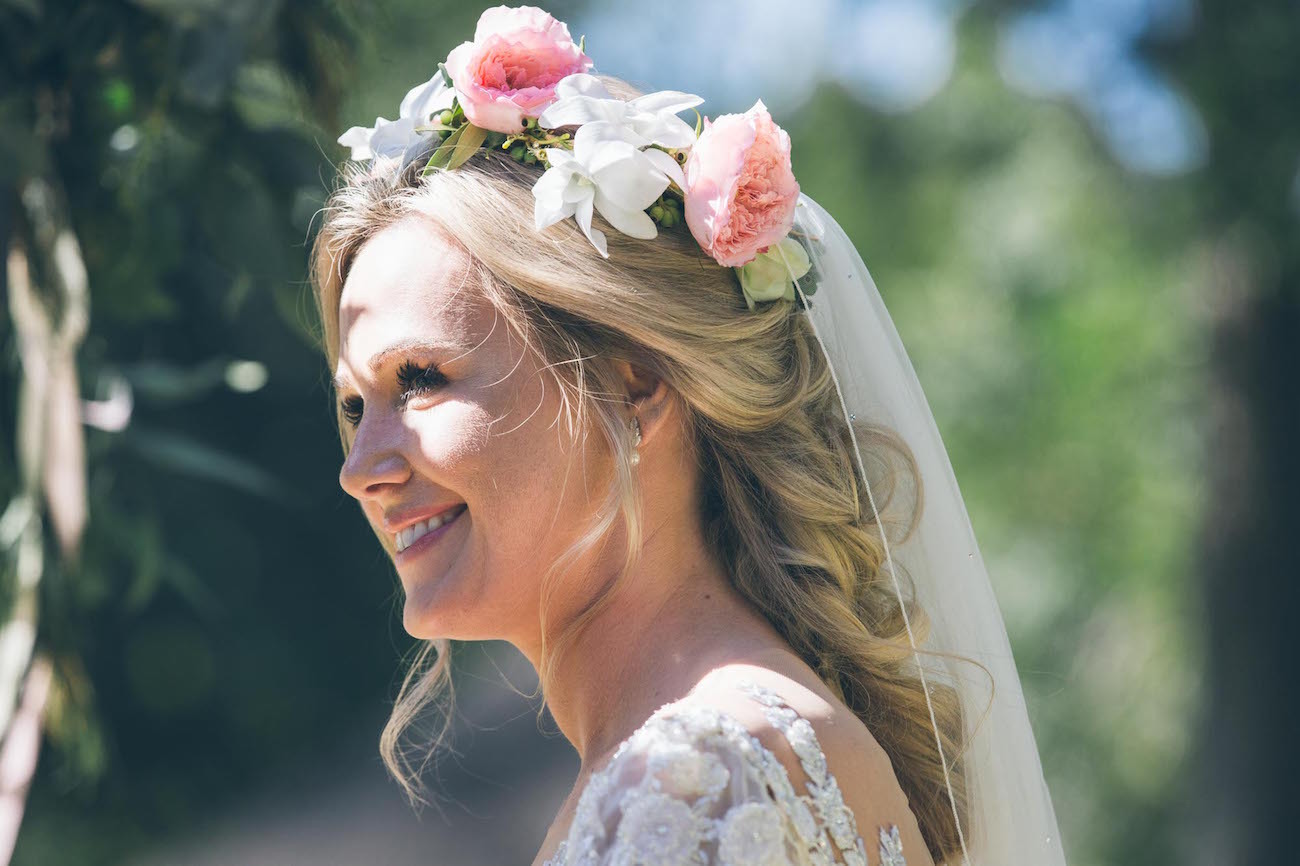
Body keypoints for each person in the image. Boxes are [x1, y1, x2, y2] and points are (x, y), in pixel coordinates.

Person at [310, 6, 1068, 865]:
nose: (360, 469)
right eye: (352, 407)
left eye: (421, 380)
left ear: (632, 381)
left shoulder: (693, 782)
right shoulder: (720, 756)